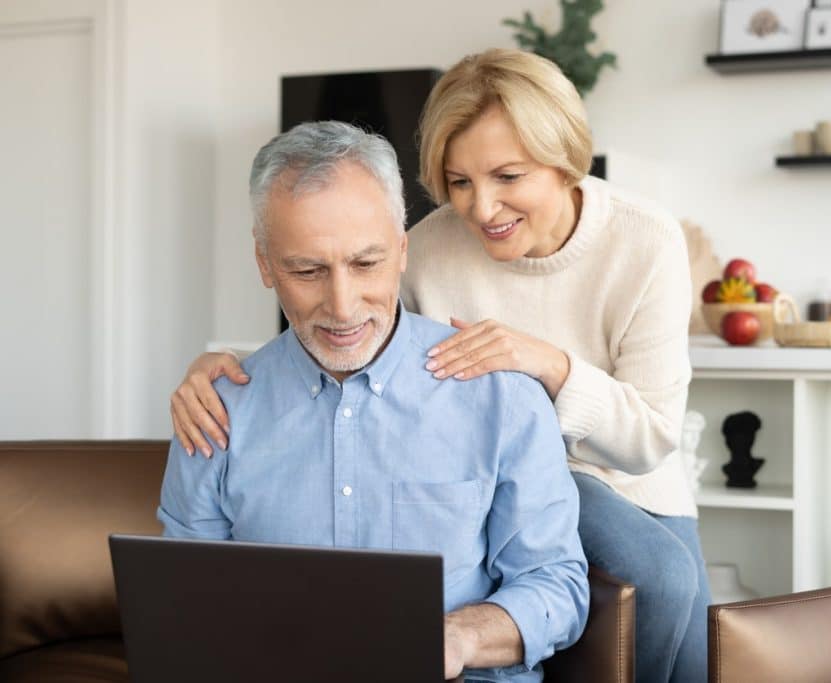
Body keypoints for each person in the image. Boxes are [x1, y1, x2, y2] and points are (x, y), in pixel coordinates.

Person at [171, 49, 710, 683]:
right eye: (459, 182)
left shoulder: (645, 240)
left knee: (671, 588)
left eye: (507, 176)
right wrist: (227, 367)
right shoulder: (426, 246)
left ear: (563, 160)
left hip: (620, 471)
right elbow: (344, 338)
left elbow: (650, 437)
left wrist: (546, 366)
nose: (482, 208)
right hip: (484, 456)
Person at [158, 120, 589, 683]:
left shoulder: (500, 396)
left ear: (403, 250)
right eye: (307, 270)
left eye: (366, 264)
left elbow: (557, 585)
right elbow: (185, 601)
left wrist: (458, 637)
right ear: (265, 264)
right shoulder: (214, 413)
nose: (342, 306)